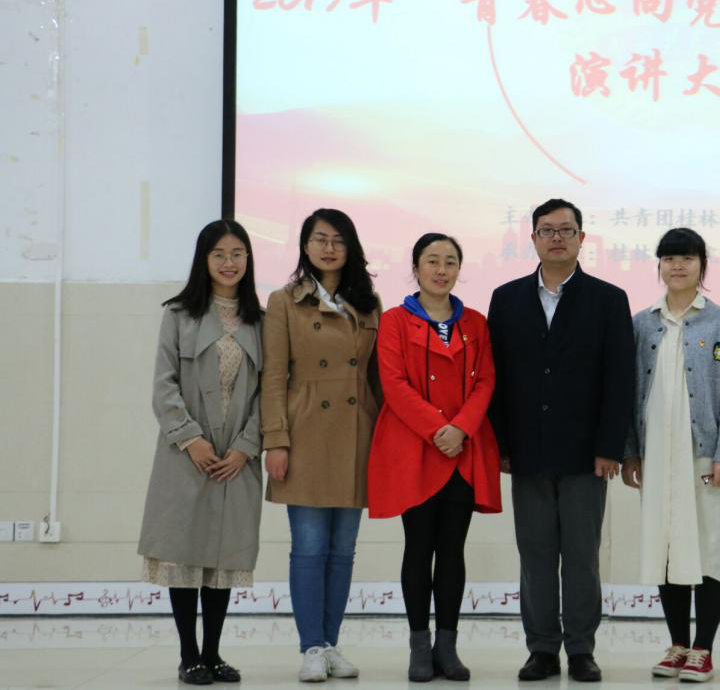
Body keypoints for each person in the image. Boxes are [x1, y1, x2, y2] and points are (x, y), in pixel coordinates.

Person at [487, 198, 634, 683]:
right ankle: (542, 649)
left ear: (581, 239)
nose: (556, 238)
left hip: (586, 454)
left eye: (566, 230)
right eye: (547, 230)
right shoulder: (506, 298)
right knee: (535, 554)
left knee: (582, 557)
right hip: (525, 451)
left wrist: (610, 447)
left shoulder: (608, 299)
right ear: (532, 238)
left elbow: (619, 379)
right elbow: (495, 377)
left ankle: (581, 649)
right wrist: (501, 444)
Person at [368, 233, 502, 683]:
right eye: (432, 261)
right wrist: (437, 429)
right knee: (418, 546)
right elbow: (394, 384)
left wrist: (460, 428)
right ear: (416, 267)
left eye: (450, 262)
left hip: (462, 449)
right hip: (415, 449)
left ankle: (448, 646)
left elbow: (485, 381)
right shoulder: (394, 321)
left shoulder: (476, 323)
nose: (441, 270)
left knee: (452, 550)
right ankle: (419, 645)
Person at [138, 219, 264, 686]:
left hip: (237, 459)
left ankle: (213, 653)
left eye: (237, 253)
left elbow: (270, 392)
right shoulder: (179, 314)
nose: (229, 263)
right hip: (186, 455)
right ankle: (189, 655)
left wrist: (247, 447)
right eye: (219, 254)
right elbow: (163, 385)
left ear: (248, 259)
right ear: (203, 260)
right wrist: (190, 438)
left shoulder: (261, 320)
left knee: (223, 557)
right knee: (186, 554)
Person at [260, 208, 382, 683]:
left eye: (338, 240)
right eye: (319, 239)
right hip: (305, 432)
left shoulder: (368, 303)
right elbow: (274, 377)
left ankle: (330, 644)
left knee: (343, 549)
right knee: (309, 547)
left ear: (351, 248)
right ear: (305, 246)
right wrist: (276, 439)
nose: (328, 248)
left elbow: (376, 379)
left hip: (356, 433)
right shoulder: (284, 301)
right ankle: (311, 645)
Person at [622, 228, 720, 684]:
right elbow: (628, 393)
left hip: (704, 456)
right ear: (659, 265)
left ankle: (703, 649)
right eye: (670, 258)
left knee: (711, 550)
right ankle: (677, 644)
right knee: (666, 546)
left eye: (687, 258)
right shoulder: (642, 323)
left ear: (702, 266)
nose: (678, 266)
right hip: (656, 454)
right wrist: (631, 453)